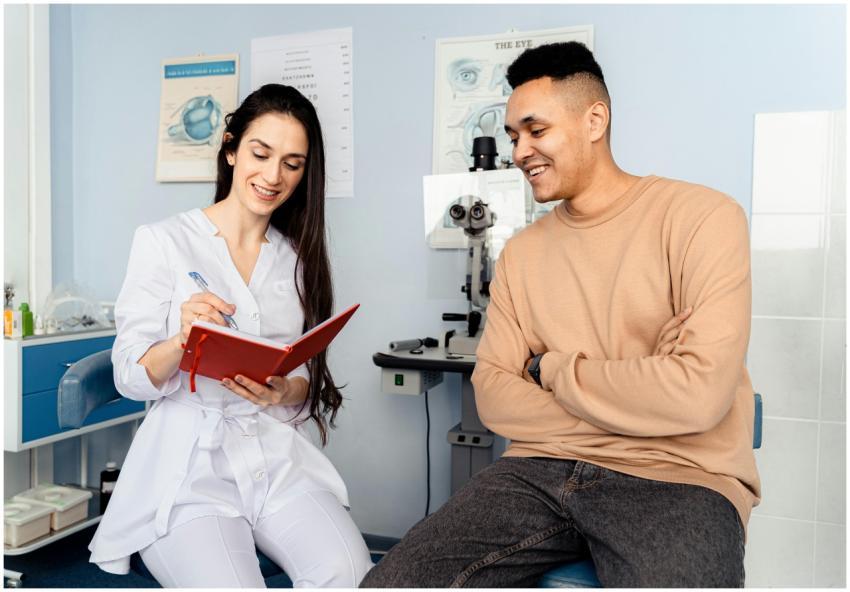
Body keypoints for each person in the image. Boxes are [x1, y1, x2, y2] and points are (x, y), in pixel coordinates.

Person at [361, 42, 760, 588]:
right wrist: (645, 405)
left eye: (535, 130)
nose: (520, 150)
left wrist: (549, 370)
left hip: (680, 477)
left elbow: (699, 393)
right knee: (391, 582)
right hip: (537, 471)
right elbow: (494, 389)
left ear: (595, 120)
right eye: (512, 137)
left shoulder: (702, 218)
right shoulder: (523, 252)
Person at [89, 84, 374, 588]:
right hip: (188, 466)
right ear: (230, 148)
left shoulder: (296, 259)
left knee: (350, 574)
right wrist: (182, 340)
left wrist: (285, 388)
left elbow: (305, 377)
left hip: (273, 454)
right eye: (260, 154)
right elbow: (129, 376)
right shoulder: (164, 241)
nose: (273, 176)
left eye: (292, 163)